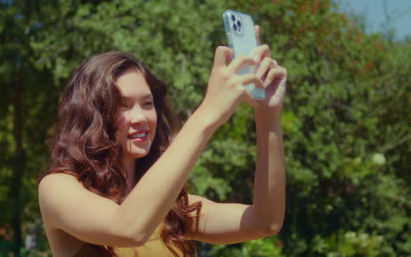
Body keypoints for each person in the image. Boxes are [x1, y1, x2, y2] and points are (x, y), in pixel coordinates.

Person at [38, 26, 287, 257]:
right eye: (122, 106)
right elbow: (128, 228)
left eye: (147, 104)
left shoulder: (173, 208)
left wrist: (268, 115)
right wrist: (208, 112)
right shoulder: (57, 188)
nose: (141, 117)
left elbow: (265, 222)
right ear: (91, 116)